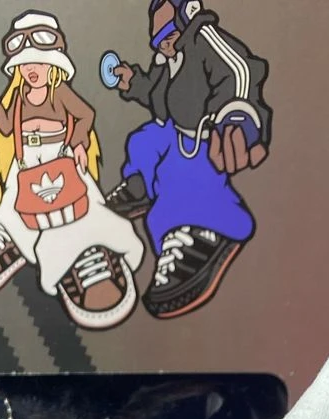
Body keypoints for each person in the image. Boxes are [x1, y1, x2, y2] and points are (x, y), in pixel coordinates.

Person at [0, 12, 144, 329]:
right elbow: (6, 126)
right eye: (25, 65)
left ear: (54, 65)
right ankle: (10, 235)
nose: (32, 71)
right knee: (15, 206)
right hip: (26, 166)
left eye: (39, 63)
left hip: (62, 160)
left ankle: (86, 253)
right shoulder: (19, 98)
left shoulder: (60, 93)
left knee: (78, 210)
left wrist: (79, 143)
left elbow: (86, 115)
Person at [107, 0, 271, 319]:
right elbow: (156, 92)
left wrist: (238, 119)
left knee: (181, 173)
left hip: (206, 137)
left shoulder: (204, 41)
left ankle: (203, 227)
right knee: (145, 140)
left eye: (168, 35)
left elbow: (239, 73)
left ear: (187, 19)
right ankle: (142, 185)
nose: (163, 45)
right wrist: (132, 82)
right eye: (157, 40)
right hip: (174, 131)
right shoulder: (170, 61)